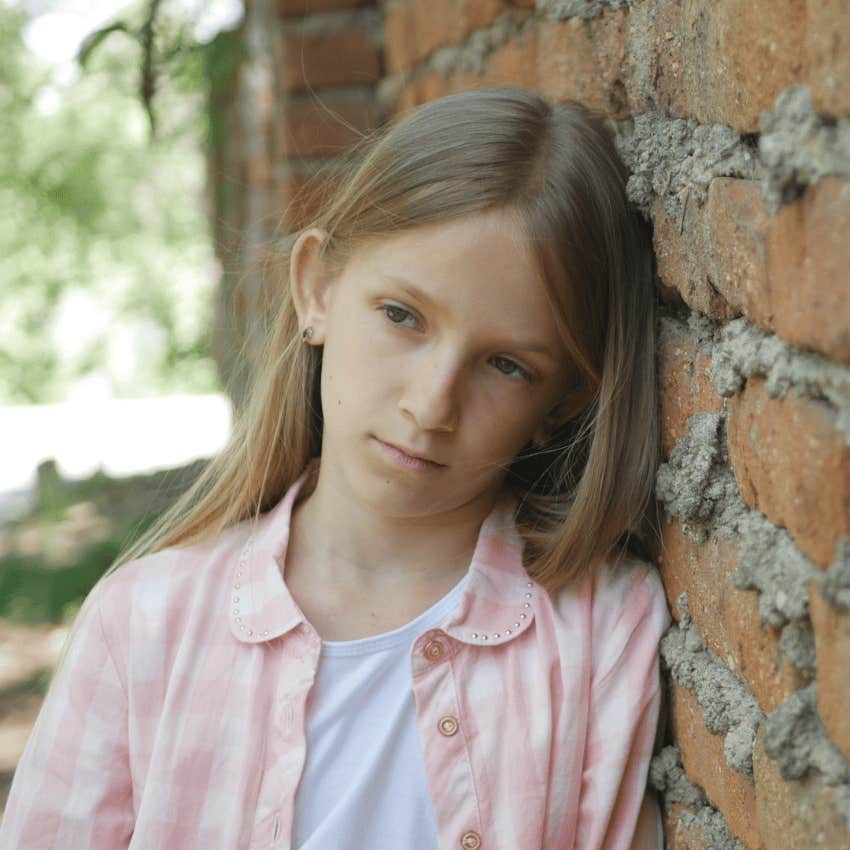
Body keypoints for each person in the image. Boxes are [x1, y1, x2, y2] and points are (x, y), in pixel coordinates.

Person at [0, 87, 671, 849]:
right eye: (402, 316)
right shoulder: (141, 624)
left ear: (562, 400)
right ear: (317, 286)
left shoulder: (602, 631)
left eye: (507, 365)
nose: (431, 405)